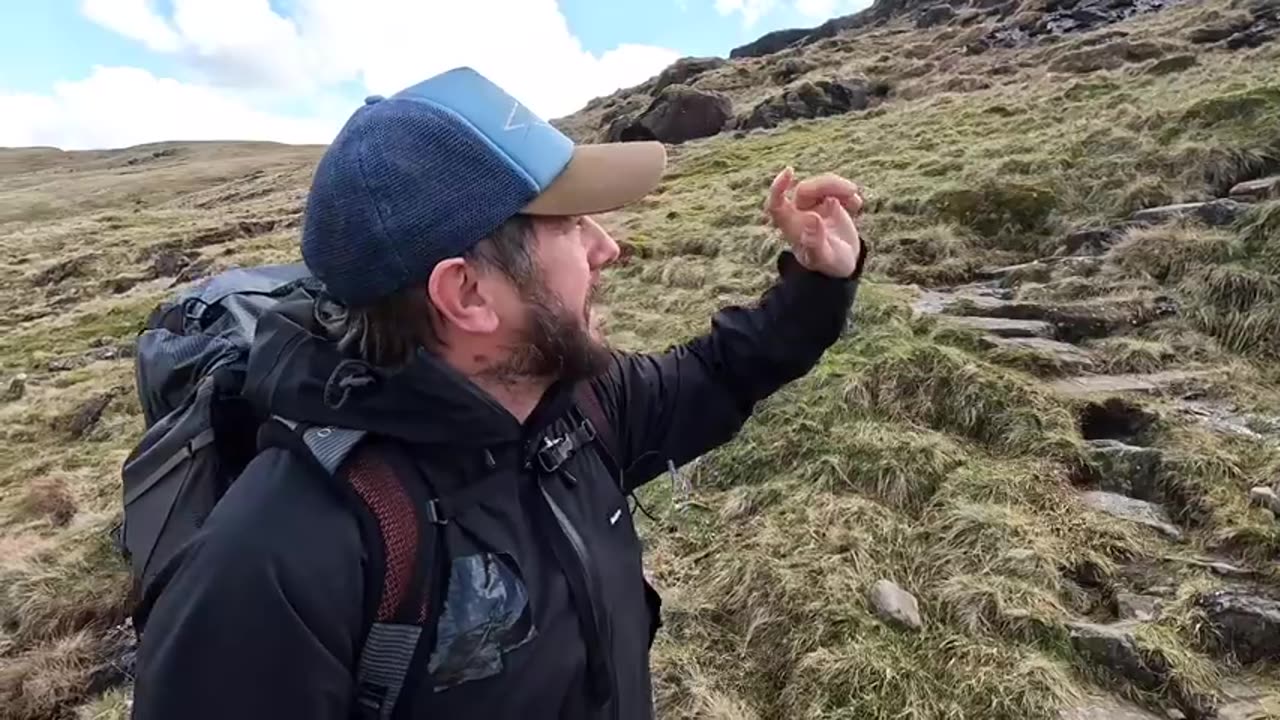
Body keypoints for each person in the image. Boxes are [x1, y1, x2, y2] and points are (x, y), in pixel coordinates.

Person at [130, 66, 868, 720]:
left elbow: (715, 374)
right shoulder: (273, 564)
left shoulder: (572, 407)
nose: (608, 249)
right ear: (469, 294)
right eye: (573, 226)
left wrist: (819, 281)